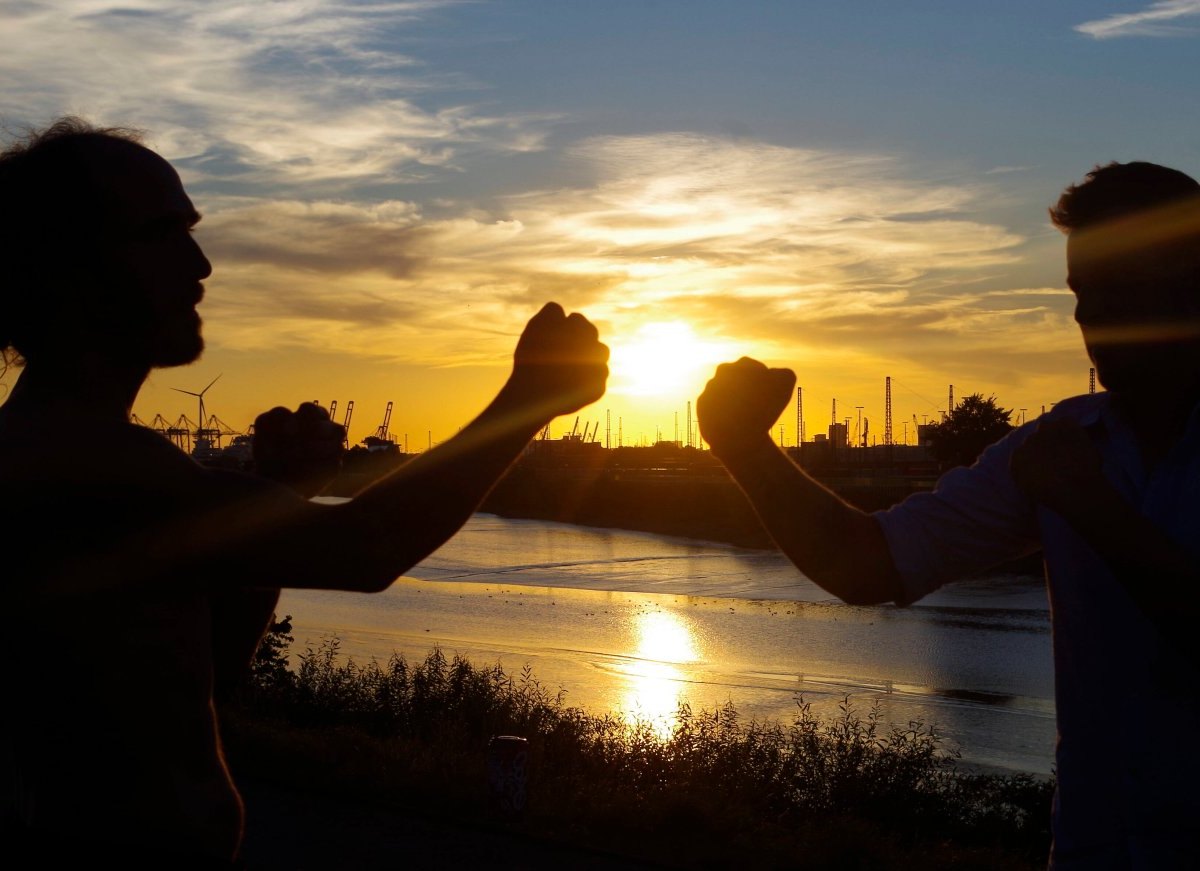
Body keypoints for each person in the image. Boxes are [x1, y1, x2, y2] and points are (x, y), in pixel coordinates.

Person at [0, 117, 608, 866]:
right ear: (72, 267)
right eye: (162, 234)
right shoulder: (83, 458)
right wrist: (528, 400)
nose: (200, 264)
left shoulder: (73, 450)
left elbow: (200, 681)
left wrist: (280, 494)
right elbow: (366, 546)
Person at [696, 161, 1200, 869]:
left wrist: (1092, 508)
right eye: (1083, 294)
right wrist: (744, 447)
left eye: (1122, 288)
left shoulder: (1065, 469)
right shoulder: (1058, 447)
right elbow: (870, 563)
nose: (1091, 319)